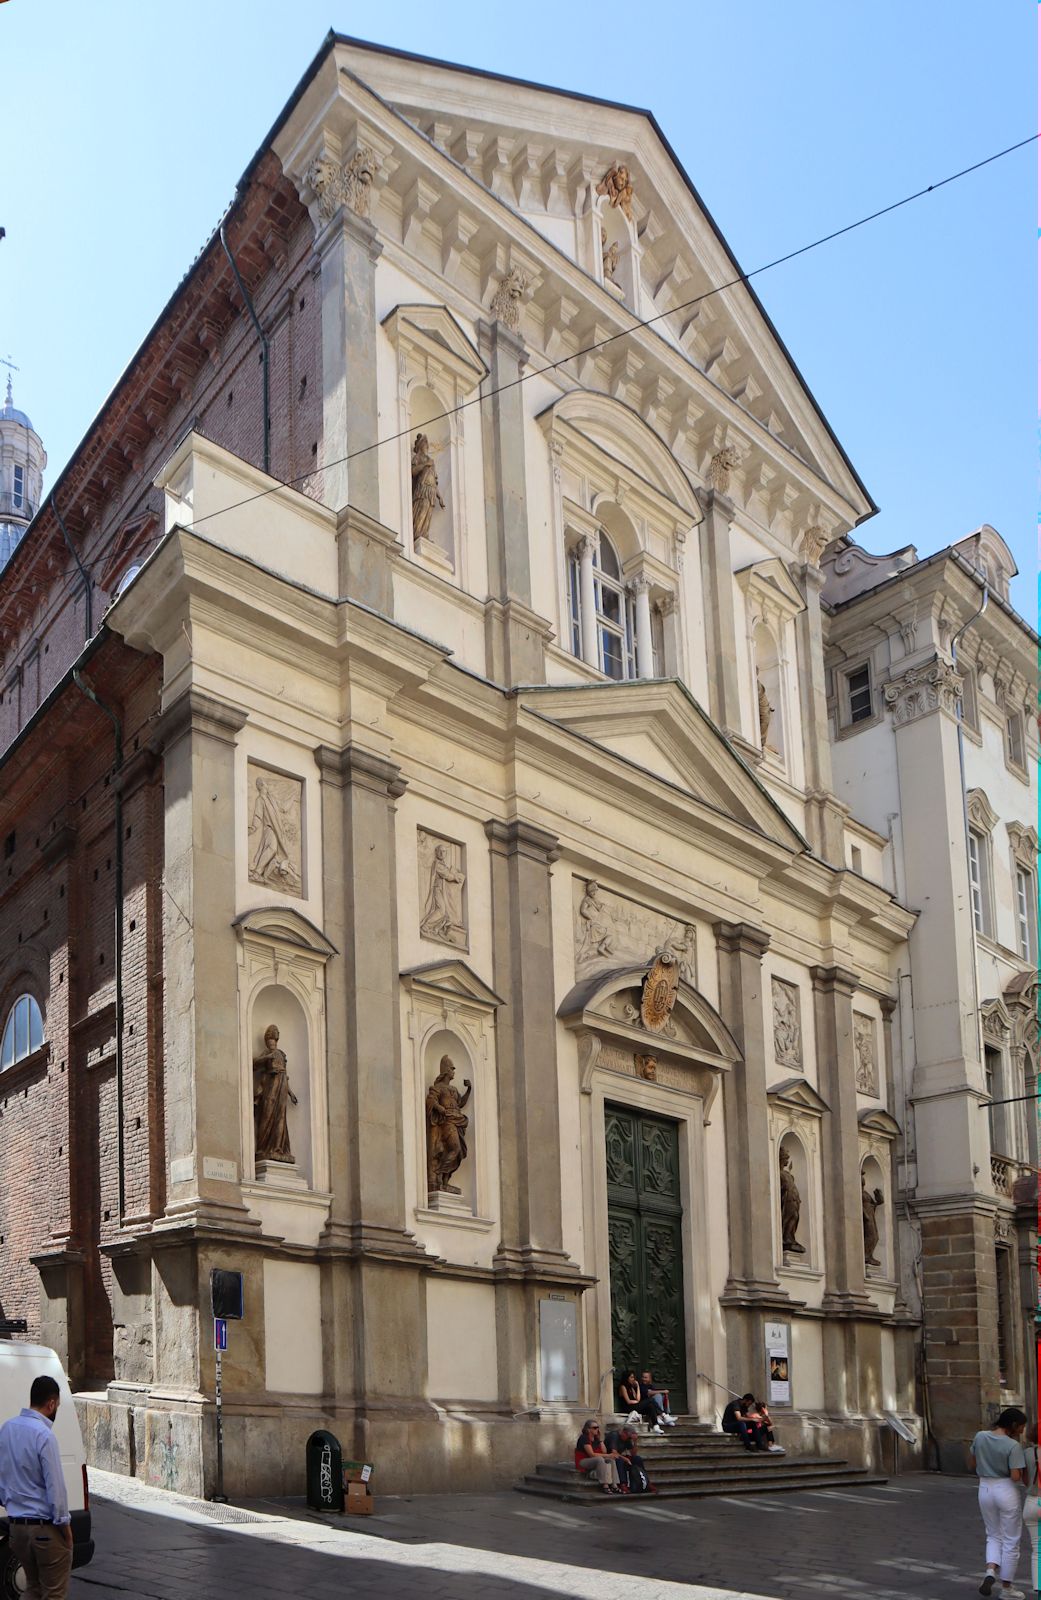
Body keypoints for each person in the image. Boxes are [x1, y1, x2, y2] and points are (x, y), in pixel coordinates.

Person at [0, 1374, 73, 1599]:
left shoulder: (7, 1429)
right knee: (53, 1593)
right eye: (57, 1406)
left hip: (17, 1528)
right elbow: (56, 1489)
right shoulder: (44, 1435)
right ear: (51, 1404)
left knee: (32, 1588)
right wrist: (66, 1530)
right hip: (44, 1528)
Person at [970, 1406, 1028, 1599]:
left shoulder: (980, 1436)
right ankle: (1007, 1588)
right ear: (1013, 1425)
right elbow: (1015, 1476)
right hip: (1006, 1490)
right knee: (1011, 1540)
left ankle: (989, 1571)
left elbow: (971, 1463)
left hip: (984, 1488)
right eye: (1021, 1427)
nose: (1022, 1431)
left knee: (993, 1534)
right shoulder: (1013, 1446)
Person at [574, 1420, 621, 1493]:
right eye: (595, 1428)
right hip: (583, 1460)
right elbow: (591, 1454)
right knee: (600, 1459)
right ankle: (605, 1484)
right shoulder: (584, 1438)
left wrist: (600, 1440)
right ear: (588, 1429)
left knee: (611, 1460)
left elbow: (604, 1451)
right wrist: (609, 1455)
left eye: (598, 1427)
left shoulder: (596, 1439)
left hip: (593, 1460)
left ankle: (614, 1485)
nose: (597, 1429)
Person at [603, 1423, 650, 1493]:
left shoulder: (627, 1439)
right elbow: (614, 1453)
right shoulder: (614, 1436)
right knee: (620, 1460)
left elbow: (633, 1453)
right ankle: (623, 1484)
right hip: (609, 1458)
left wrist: (635, 1442)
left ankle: (644, 1480)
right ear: (623, 1433)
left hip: (618, 1456)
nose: (629, 1439)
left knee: (637, 1459)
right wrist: (625, 1459)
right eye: (629, 1437)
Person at [1021, 1426, 1039, 1598]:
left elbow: (1025, 1479)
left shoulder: (1027, 1453)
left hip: (1032, 1502)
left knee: (1037, 1550)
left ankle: (1038, 1588)